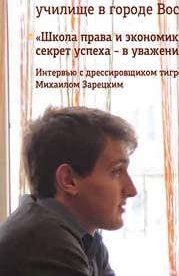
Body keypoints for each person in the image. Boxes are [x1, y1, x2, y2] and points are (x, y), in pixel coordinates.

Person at [0, 106, 138, 276]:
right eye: (116, 171)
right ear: (68, 180)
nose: (132, 190)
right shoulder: (46, 243)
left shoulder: (85, 239)